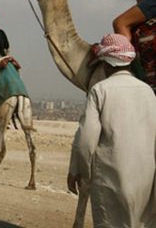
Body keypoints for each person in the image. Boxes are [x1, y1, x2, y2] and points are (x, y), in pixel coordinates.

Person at [67, 33, 156, 227]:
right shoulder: (148, 91)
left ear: (106, 65)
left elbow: (85, 141)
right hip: (146, 180)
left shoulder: (100, 90)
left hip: (110, 180)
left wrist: (78, 170)